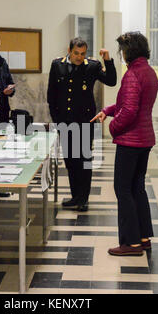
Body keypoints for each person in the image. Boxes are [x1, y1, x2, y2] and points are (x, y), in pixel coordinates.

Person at [91, 32, 158, 256]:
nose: (121, 54)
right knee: (137, 187)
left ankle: (131, 243)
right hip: (144, 139)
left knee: (123, 188)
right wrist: (107, 111)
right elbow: (126, 103)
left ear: (128, 51)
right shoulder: (148, 72)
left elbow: (129, 110)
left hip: (131, 140)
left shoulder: (132, 75)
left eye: (122, 50)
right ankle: (143, 237)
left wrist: (112, 127)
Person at [47, 37, 117, 212]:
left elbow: (111, 80)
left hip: (85, 121)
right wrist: (57, 121)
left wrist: (107, 60)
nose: (79, 57)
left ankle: (84, 199)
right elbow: (51, 96)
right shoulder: (57, 65)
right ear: (69, 50)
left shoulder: (92, 66)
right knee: (70, 160)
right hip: (65, 121)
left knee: (84, 161)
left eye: (83, 53)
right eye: (76, 53)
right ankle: (75, 196)